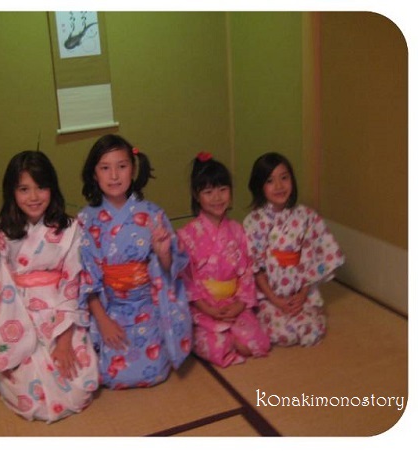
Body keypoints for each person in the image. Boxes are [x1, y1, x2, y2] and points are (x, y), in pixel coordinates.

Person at [0, 150, 99, 423]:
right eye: (24, 189)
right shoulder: (1, 230)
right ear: (12, 192)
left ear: (52, 188)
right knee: (28, 392)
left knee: (79, 383)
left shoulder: (71, 228)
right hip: (17, 313)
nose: (34, 196)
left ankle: (64, 346)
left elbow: (73, 281)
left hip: (60, 310)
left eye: (41, 187)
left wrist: (64, 340)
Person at [77, 134, 192, 389]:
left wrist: (163, 252)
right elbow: (85, 278)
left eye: (122, 166)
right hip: (109, 308)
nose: (114, 176)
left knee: (154, 372)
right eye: (105, 168)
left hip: (146, 307)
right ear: (94, 174)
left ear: (133, 168)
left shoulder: (152, 213)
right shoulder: (86, 219)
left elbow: (170, 269)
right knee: (109, 375)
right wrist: (104, 322)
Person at [177, 152, 269, 367]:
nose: (217, 198)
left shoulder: (237, 230)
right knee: (217, 347)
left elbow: (246, 271)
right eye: (208, 192)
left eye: (222, 190)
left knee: (256, 344)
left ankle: (234, 335)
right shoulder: (186, 236)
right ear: (196, 194)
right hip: (204, 308)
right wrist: (207, 309)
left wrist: (239, 304)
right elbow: (185, 279)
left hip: (233, 303)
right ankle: (220, 340)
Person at [243, 152, 344, 347]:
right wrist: (275, 299)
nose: (279, 186)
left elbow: (315, 256)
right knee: (279, 332)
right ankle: (276, 317)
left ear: (292, 179)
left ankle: (306, 314)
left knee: (311, 329)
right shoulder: (254, 222)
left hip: (300, 291)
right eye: (270, 181)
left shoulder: (306, 216)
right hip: (269, 296)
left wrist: (303, 293)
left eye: (284, 177)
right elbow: (255, 267)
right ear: (259, 186)